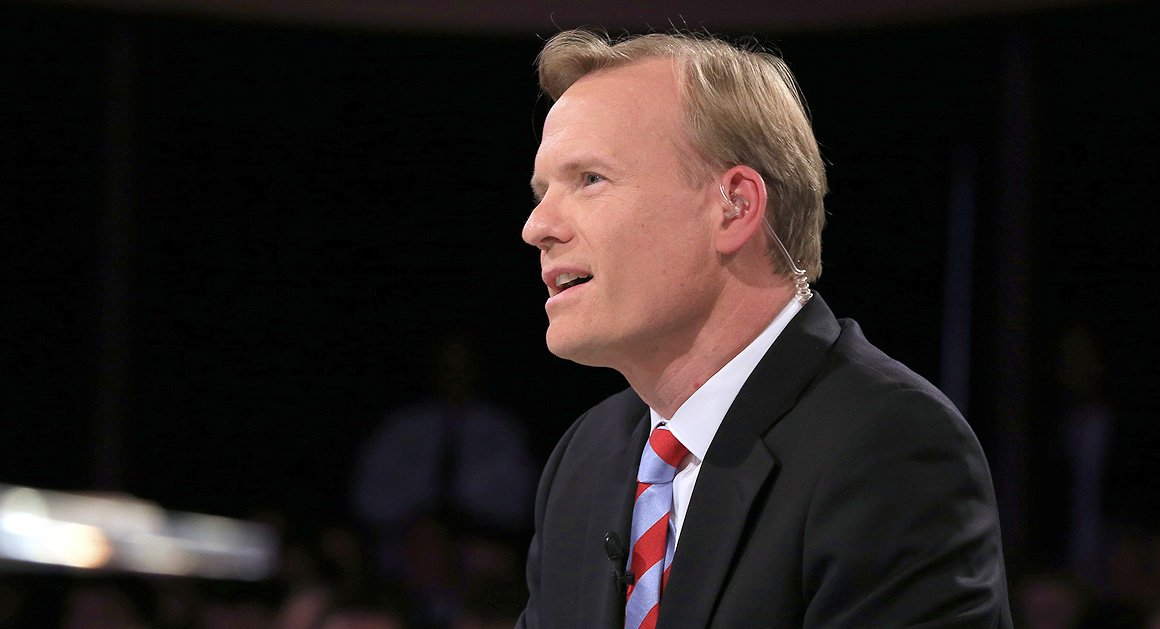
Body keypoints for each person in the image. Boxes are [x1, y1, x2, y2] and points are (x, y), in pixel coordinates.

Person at [516, 29, 1011, 628]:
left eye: (590, 179)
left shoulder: (887, 447)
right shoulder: (587, 457)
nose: (537, 226)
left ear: (735, 206)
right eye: (542, 191)